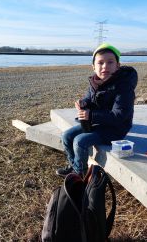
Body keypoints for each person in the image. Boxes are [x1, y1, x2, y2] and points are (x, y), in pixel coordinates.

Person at [56, 43, 138, 177]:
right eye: (100, 63)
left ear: (117, 66)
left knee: (80, 142)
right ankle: (74, 166)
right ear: (94, 67)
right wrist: (83, 103)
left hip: (114, 129)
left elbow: (119, 115)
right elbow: (89, 99)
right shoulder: (95, 82)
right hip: (95, 123)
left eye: (110, 62)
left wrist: (91, 115)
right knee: (66, 136)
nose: (105, 66)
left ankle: (80, 174)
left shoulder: (124, 87)